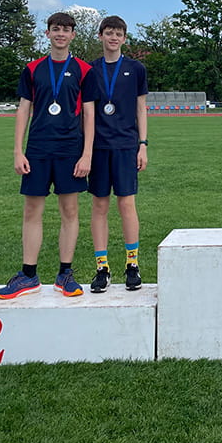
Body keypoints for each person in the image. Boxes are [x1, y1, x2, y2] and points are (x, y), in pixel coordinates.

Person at [0, 12, 97, 299]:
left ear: (73, 34)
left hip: (69, 150)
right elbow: (23, 110)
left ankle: (65, 274)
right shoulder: (32, 69)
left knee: (70, 211)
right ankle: (28, 275)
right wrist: (18, 150)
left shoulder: (84, 70)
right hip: (37, 148)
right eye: (55, 29)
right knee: (31, 211)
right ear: (48, 33)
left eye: (65, 30)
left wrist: (87, 154)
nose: (60, 34)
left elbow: (89, 114)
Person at [87, 15, 149, 293]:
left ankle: (132, 265)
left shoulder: (136, 69)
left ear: (124, 38)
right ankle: (102, 268)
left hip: (126, 145)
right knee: (99, 207)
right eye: (108, 33)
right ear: (100, 36)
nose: (113, 38)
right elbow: (86, 113)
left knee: (126, 205)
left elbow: (141, 108)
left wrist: (143, 144)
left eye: (118, 34)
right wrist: (85, 152)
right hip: (99, 147)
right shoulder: (90, 70)